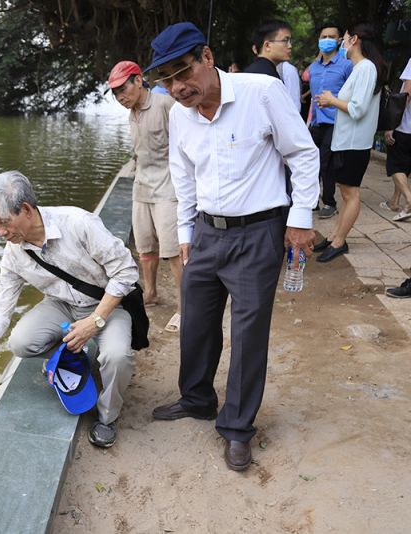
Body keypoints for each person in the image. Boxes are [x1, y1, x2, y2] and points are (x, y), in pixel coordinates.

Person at [145, 22, 319, 471]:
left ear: (207, 57)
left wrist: (300, 219)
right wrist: (186, 234)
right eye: (166, 80)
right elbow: (183, 175)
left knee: (248, 333)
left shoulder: (261, 93)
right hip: (206, 232)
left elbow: (302, 153)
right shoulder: (179, 115)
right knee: (196, 321)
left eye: (182, 73)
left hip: (258, 233)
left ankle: (238, 427)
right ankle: (197, 398)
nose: (177, 88)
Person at [0, 171, 140, 448]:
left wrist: (95, 320)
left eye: (3, 222)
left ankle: (108, 416)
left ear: (26, 210)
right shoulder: (13, 254)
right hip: (61, 305)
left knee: (117, 357)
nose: (0, 233)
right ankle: (71, 357)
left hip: (107, 305)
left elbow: (126, 271)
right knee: (20, 342)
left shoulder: (78, 223)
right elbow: (0, 310)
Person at [107, 60, 183, 332]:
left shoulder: (165, 105)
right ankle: (150, 292)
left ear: (138, 80)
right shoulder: (132, 113)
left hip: (168, 186)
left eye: (123, 89)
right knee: (145, 247)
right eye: (115, 93)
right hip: (142, 186)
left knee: (173, 250)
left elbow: (187, 142)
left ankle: (184, 307)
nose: (120, 97)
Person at [314, 24, 387, 262]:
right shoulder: (360, 68)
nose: (341, 44)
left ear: (354, 40)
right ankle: (335, 235)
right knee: (346, 193)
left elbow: (357, 109)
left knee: (351, 194)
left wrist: (331, 100)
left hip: (355, 143)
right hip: (347, 141)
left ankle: (339, 242)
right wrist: (332, 101)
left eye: (343, 39)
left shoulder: (366, 68)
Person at [308, 23, 354, 219]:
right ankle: (312, 201)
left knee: (325, 162)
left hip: (335, 122)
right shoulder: (314, 67)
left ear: (338, 40)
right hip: (316, 122)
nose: (326, 40)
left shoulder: (347, 66)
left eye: (331, 36)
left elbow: (353, 94)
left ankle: (329, 202)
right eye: (323, 36)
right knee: (310, 161)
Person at [383, 57, 411, 222]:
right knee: (404, 167)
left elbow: (407, 92)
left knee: (395, 166)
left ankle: (409, 200)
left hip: (406, 127)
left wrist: (393, 124)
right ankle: (394, 201)